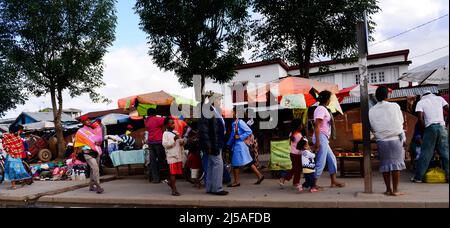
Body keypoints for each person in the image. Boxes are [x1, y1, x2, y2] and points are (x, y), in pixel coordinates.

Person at [369, 87, 407, 196]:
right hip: (395, 139)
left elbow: (372, 126)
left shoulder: (371, 110)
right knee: (396, 166)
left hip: (381, 140)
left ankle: (388, 189)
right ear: (387, 95)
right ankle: (395, 190)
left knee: (385, 165)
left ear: (376, 97)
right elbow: (401, 121)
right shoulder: (395, 106)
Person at [412, 91, 449, 183]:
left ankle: (418, 177)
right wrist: (446, 124)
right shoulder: (439, 99)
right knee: (445, 153)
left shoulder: (421, 102)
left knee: (425, 154)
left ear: (422, 96)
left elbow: (420, 118)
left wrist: (425, 130)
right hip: (442, 127)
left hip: (430, 127)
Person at [313, 90, 345, 189]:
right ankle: (313, 183)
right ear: (327, 99)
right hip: (321, 137)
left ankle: (333, 181)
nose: (330, 100)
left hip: (323, 138)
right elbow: (317, 125)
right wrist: (318, 141)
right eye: (330, 98)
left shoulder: (324, 109)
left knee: (332, 159)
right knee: (321, 161)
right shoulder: (321, 109)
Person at [198, 97, 229, 196]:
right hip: (213, 144)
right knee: (218, 165)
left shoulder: (212, 110)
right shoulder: (207, 111)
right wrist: (209, 146)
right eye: (218, 99)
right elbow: (204, 131)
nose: (220, 101)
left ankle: (210, 187)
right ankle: (217, 189)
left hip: (216, 143)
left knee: (212, 165)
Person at [227, 107, 264, 187]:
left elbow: (249, 131)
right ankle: (259, 176)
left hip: (240, 146)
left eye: (232, 112)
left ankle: (237, 181)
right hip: (238, 146)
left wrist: (240, 137)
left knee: (236, 164)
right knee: (248, 162)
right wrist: (228, 143)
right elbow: (233, 135)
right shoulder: (235, 123)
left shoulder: (240, 122)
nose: (231, 113)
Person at [73, 116, 104, 194]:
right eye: (86, 120)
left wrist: (99, 142)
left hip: (96, 151)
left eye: (89, 120)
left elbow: (98, 139)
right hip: (87, 153)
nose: (88, 121)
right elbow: (76, 144)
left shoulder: (93, 130)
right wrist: (74, 155)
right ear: (83, 122)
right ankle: (98, 186)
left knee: (92, 170)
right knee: (96, 169)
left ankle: (91, 186)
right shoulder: (80, 131)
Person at [2, 125, 32, 190]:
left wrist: (8, 150)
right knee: (18, 169)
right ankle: (25, 179)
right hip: (18, 156)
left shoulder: (7, 136)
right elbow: (20, 147)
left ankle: (13, 185)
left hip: (11, 156)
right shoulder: (18, 137)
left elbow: (5, 146)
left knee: (11, 170)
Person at [162, 117, 186, 196]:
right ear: (166, 125)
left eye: (173, 123)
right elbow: (165, 145)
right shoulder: (165, 134)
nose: (173, 124)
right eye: (171, 123)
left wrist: (182, 141)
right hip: (171, 156)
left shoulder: (176, 132)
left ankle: (169, 183)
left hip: (178, 155)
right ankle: (174, 190)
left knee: (176, 174)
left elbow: (180, 143)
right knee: (173, 173)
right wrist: (174, 139)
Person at [145, 108, 167, 183]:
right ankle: (164, 177)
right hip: (158, 142)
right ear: (155, 113)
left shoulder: (146, 121)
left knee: (153, 161)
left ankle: (155, 178)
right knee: (162, 159)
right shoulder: (157, 119)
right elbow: (167, 121)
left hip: (150, 142)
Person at [279, 122, 304, 190]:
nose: (302, 126)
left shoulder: (291, 134)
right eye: (301, 125)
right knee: (297, 169)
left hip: (292, 153)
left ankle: (289, 180)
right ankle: (291, 181)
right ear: (298, 126)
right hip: (297, 154)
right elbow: (302, 145)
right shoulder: (299, 135)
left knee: (295, 168)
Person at [185, 120, 203, 188]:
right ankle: (197, 182)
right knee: (196, 168)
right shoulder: (197, 134)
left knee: (194, 168)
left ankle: (196, 182)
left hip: (192, 153)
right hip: (196, 153)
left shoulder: (190, 133)